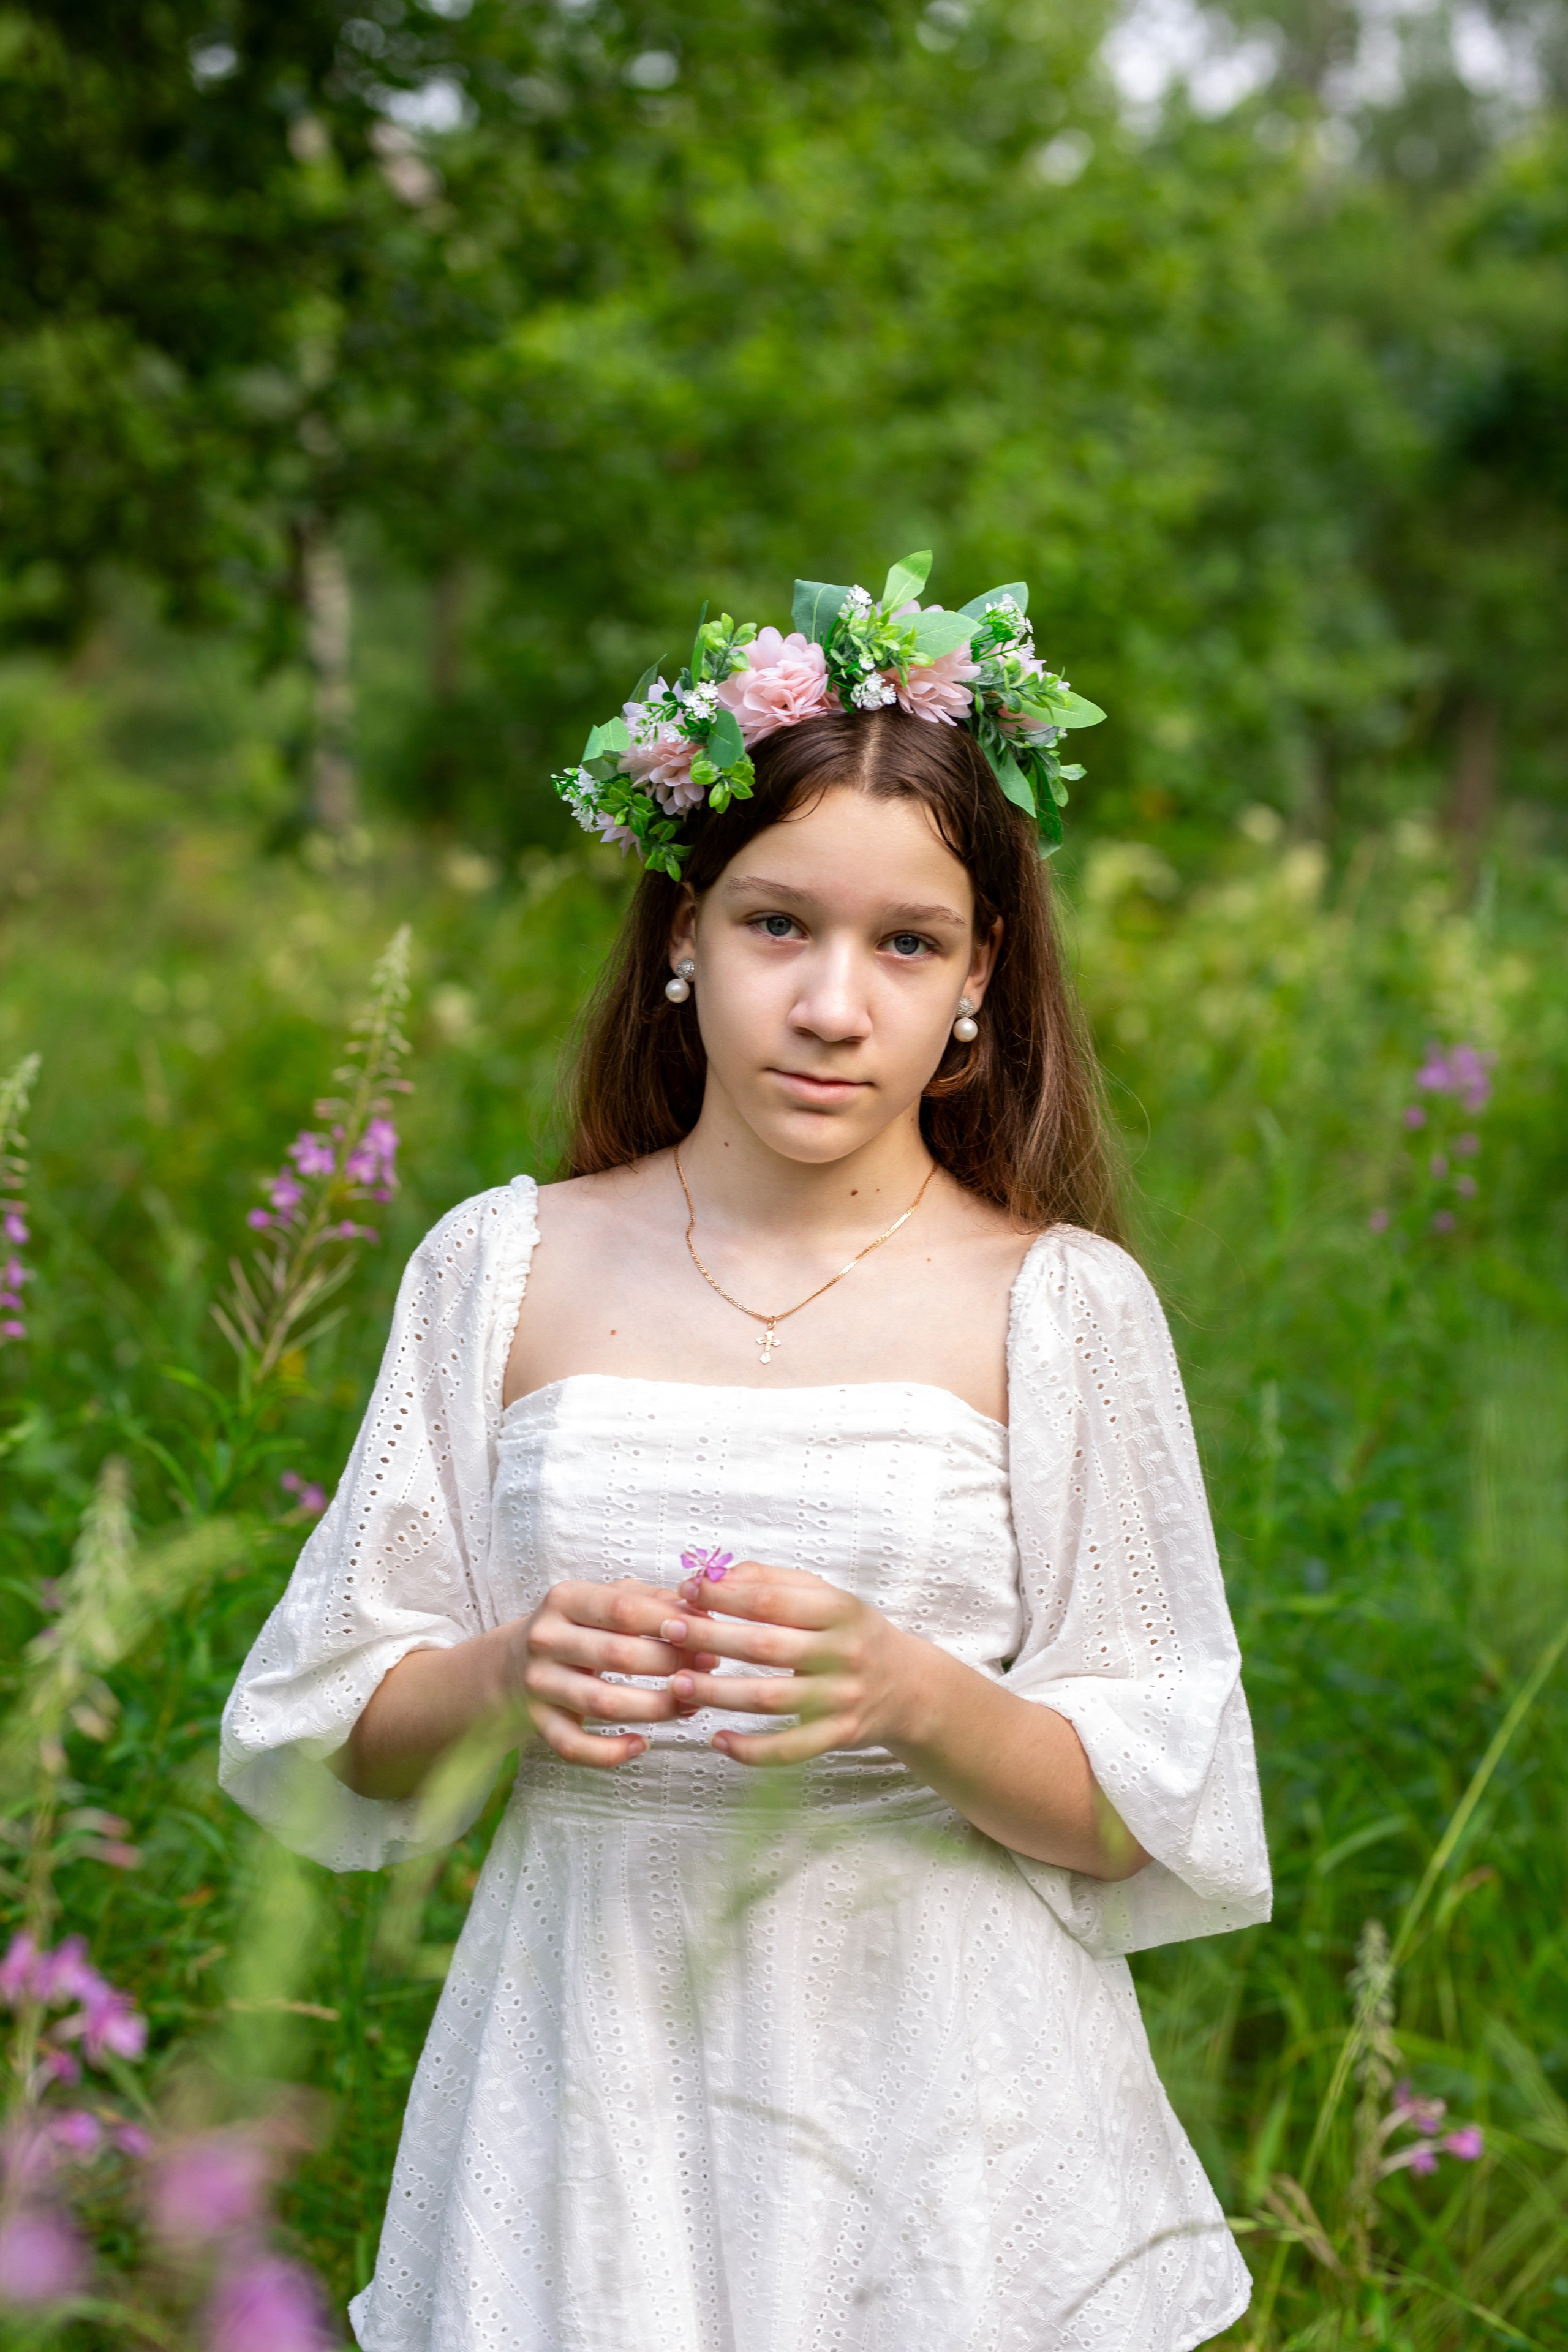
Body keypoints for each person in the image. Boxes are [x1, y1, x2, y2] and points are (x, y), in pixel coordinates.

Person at [221, 558, 1271, 2352]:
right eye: (780, 925)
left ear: (979, 982)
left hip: (955, 2115)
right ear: (685, 934)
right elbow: (332, 1725)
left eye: (908, 943)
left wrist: (914, 1696)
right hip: (590, 2083)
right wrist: (501, 1670)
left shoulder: (1063, 1306)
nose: (833, 1002)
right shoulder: (503, 1263)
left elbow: (1146, 1810)